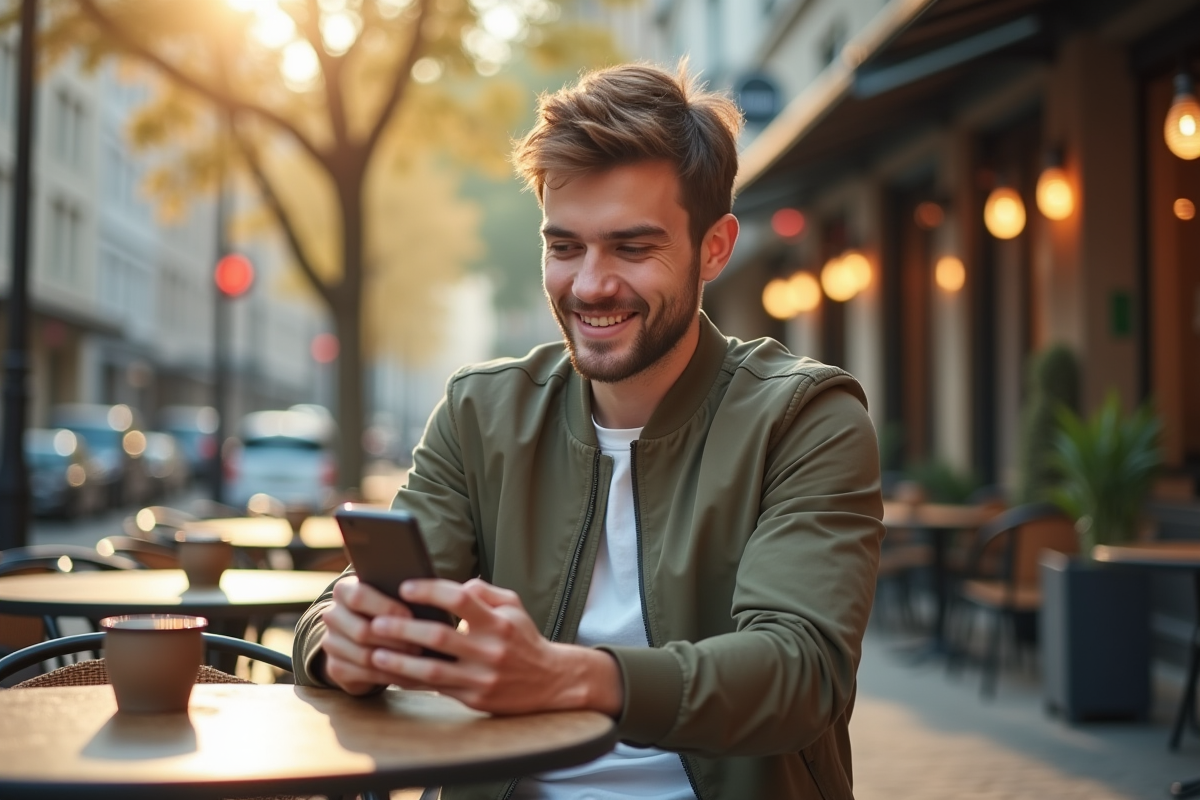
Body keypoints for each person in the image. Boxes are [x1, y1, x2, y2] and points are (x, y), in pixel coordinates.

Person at [294, 62, 884, 800]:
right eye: (565, 247)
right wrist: (341, 641)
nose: (591, 285)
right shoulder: (483, 412)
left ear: (714, 247)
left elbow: (801, 672)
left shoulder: (806, 418)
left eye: (633, 248)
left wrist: (566, 676)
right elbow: (350, 604)